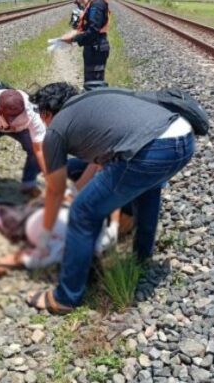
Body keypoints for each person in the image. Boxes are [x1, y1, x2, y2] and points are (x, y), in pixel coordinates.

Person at [25, 82, 196, 314]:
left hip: (152, 149)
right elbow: (99, 163)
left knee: (82, 213)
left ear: (46, 113)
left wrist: (45, 234)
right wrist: (78, 191)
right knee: (148, 190)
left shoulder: (56, 130)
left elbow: (54, 191)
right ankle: (142, 255)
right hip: (183, 138)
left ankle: (65, 297)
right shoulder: (92, 104)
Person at [61, 0, 110, 83]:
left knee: (93, 84)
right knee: (92, 82)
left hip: (96, 48)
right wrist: (83, 3)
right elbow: (92, 19)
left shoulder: (98, 3)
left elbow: (92, 31)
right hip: (96, 47)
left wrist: (73, 39)